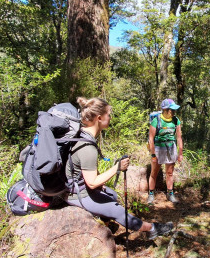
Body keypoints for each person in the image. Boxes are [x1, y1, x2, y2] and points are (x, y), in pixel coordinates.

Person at [65, 97, 174, 239]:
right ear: (99, 118)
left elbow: (85, 171)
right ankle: (152, 229)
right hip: (76, 193)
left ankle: (104, 226)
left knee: (112, 195)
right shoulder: (86, 147)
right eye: (108, 114)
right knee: (116, 210)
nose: (110, 118)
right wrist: (117, 167)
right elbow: (91, 183)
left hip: (76, 187)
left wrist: (101, 186)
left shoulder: (83, 136)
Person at [147, 99, 184, 204]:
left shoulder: (176, 120)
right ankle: (151, 194)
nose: (174, 112)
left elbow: (179, 138)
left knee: (170, 173)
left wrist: (180, 153)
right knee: (154, 172)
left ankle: (170, 193)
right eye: (172, 110)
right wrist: (153, 154)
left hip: (171, 148)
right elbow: (151, 139)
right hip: (158, 148)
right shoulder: (156, 121)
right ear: (166, 110)